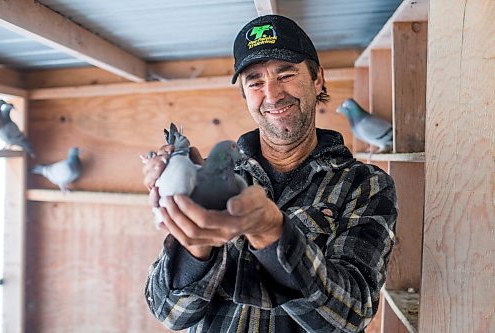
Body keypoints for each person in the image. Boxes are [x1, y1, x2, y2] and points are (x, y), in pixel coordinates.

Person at [142, 15, 397, 333]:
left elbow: (349, 317)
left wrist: (270, 234)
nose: (273, 94)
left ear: (318, 80)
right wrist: (196, 247)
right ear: (245, 95)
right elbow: (168, 314)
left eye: (286, 74)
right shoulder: (217, 177)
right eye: (255, 82)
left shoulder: (365, 185)